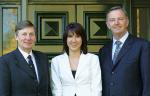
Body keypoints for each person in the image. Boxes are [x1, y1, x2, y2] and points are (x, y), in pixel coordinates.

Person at [99, 6, 150, 96]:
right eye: (112, 20)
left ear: (127, 22)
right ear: (107, 24)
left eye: (120, 19)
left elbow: (148, 82)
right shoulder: (104, 50)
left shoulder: (142, 46)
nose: (116, 23)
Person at [0, 20, 52, 96]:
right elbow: (3, 93)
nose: (28, 38)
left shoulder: (43, 58)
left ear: (35, 37)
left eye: (31, 34)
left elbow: (48, 90)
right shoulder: (5, 61)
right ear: (16, 37)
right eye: (24, 34)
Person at [51, 22, 102, 96]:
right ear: (66, 39)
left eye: (77, 36)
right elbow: (56, 89)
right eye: (70, 36)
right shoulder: (56, 61)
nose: (74, 40)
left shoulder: (93, 59)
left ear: (82, 39)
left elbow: (96, 87)